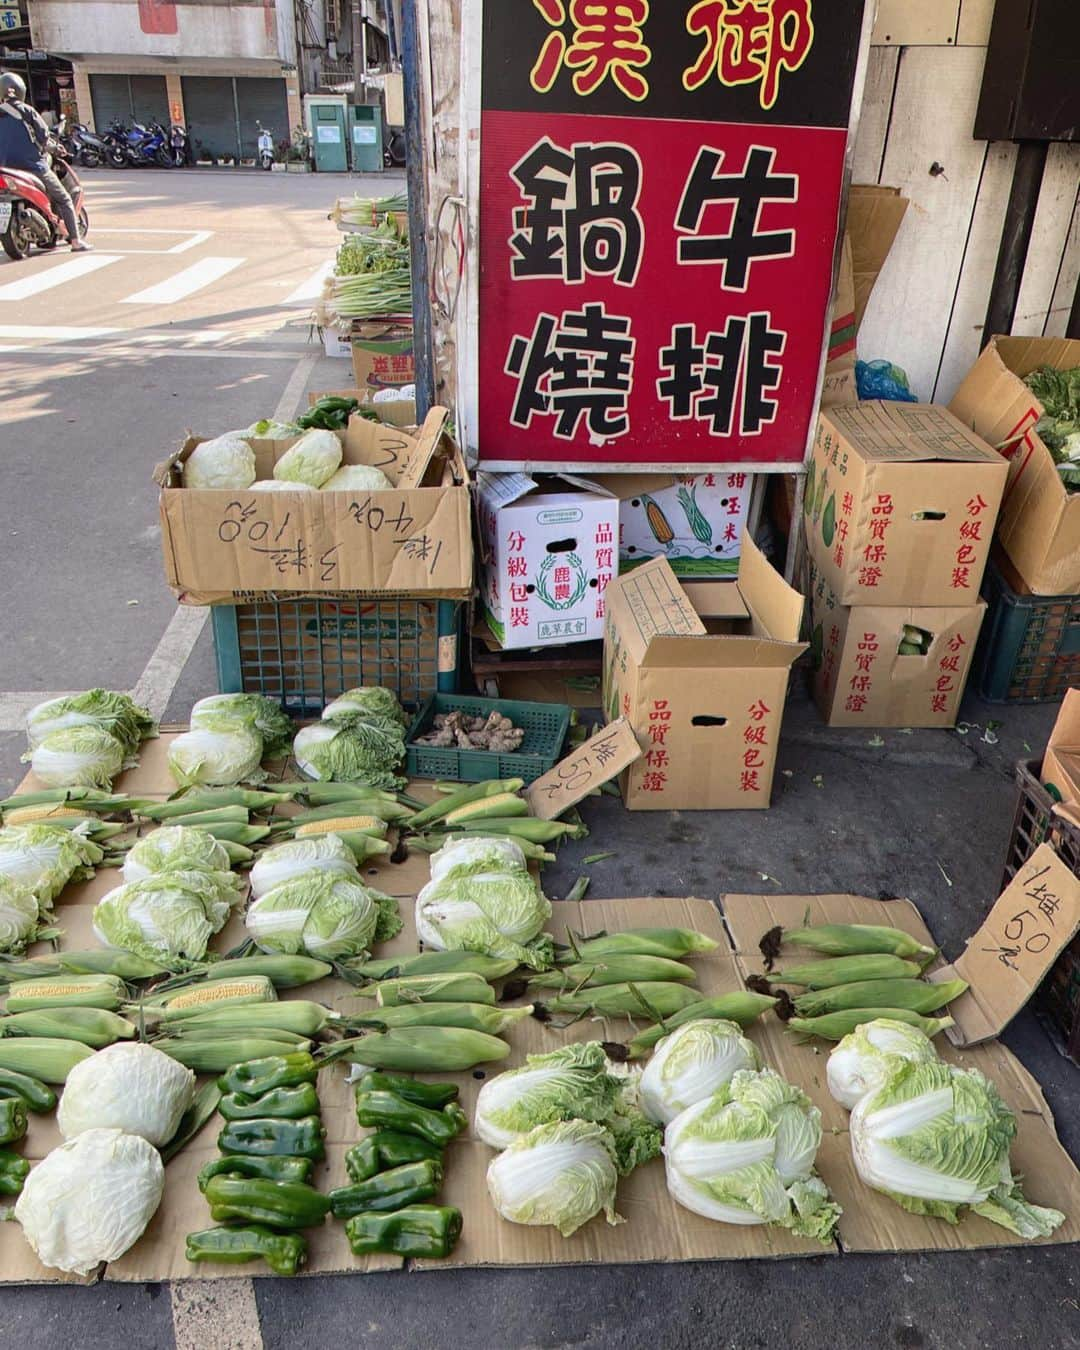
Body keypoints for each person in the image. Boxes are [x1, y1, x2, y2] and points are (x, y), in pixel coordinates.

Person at [0, 71, 90, 251]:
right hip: (33, 167)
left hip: (6, 170)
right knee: (64, 199)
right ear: (20, 91)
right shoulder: (27, 111)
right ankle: (75, 241)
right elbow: (44, 138)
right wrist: (57, 149)